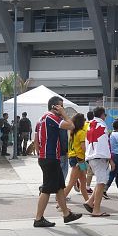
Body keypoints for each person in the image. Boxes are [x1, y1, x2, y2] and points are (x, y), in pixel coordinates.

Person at [34, 96, 82, 228]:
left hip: (47, 157)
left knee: (60, 186)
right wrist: (64, 114)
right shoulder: (52, 117)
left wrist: (39, 153)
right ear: (54, 106)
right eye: (61, 106)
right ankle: (38, 218)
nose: (63, 108)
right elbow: (71, 126)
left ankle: (66, 214)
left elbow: (36, 139)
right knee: (47, 189)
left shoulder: (41, 119)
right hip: (50, 157)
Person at [83, 107, 113, 217]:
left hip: (90, 156)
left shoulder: (89, 124)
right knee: (101, 183)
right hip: (99, 156)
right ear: (102, 115)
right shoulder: (102, 125)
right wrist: (110, 159)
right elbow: (105, 144)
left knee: (100, 181)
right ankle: (96, 209)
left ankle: (90, 201)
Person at [64, 113, 89, 203]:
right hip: (79, 159)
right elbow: (83, 147)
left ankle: (88, 202)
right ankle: (60, 202)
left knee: (83, 181)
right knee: (72, 183)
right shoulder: (81, 132)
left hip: (73, 157)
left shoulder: (72, 132)